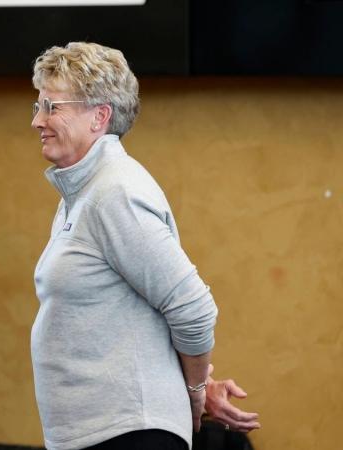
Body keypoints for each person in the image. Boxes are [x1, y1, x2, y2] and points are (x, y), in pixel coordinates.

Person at [30, 42, 258, 450]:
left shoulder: (114, 193)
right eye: (38, 106)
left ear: (99, 117)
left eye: (52, 107)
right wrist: (200, 383)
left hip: (129, 435)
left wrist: (195, 392)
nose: (38, 121)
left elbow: (193, 309)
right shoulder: (83, 192)